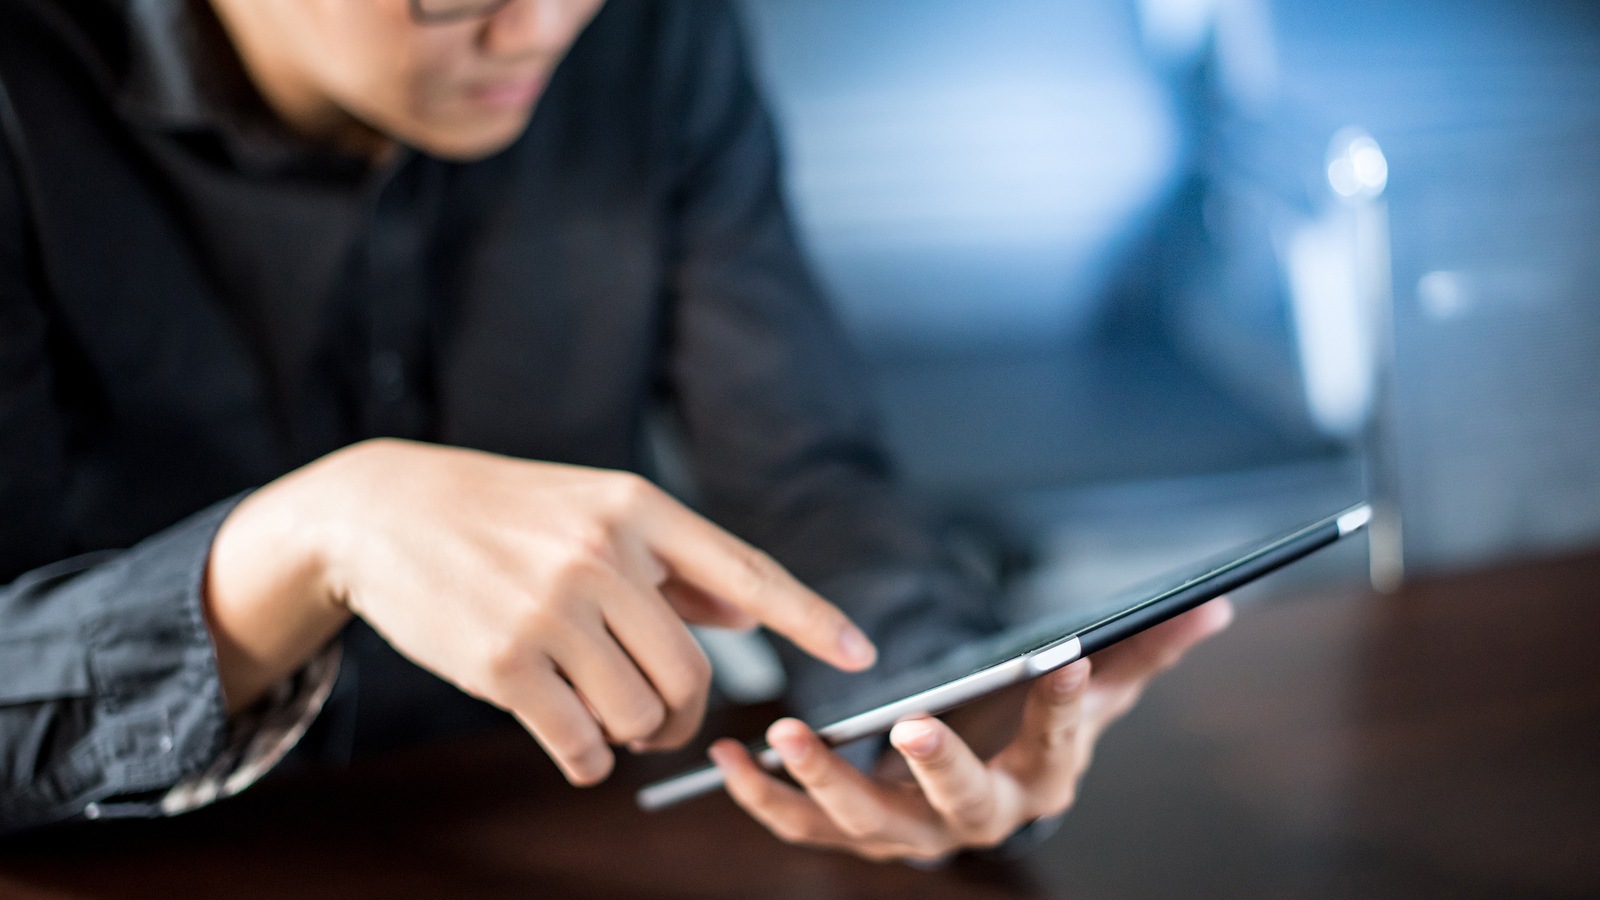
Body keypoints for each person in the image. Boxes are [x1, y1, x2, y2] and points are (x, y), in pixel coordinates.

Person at [0, 0, 1231, 860]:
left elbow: (803, 474)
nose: (537, 29)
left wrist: (930, 703)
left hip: (560, 833)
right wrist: (316, 535)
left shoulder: (654, 37)